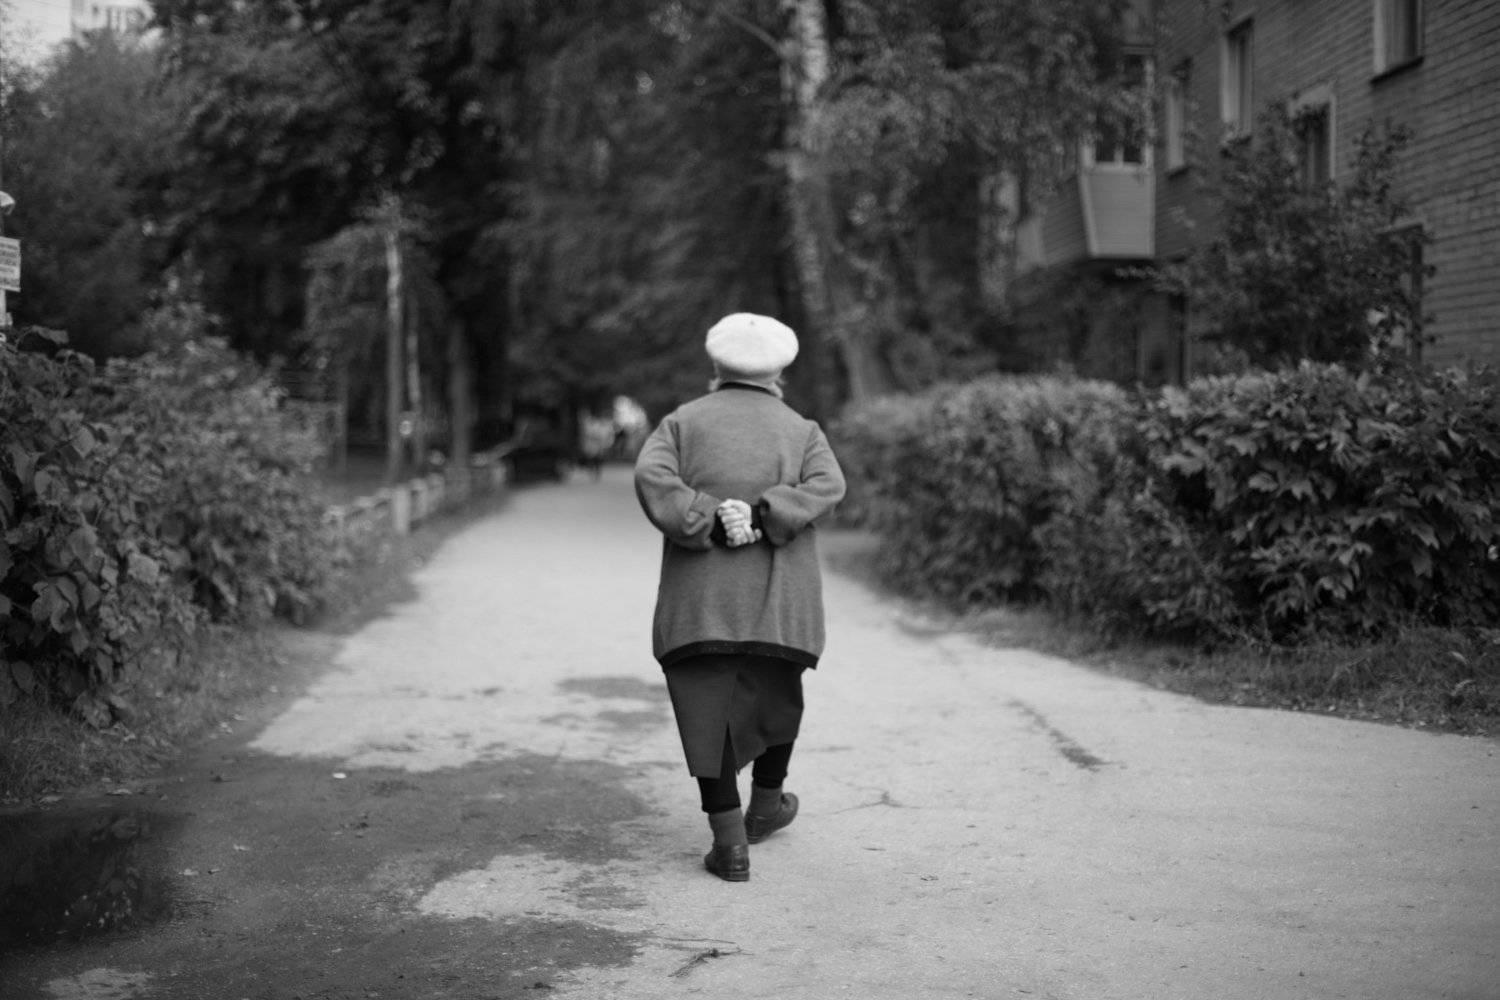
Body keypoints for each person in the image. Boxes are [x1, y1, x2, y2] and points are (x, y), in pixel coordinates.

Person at [634, 312, 846, 882]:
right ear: (778, 371)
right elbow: (829, 486)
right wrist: (764, 514)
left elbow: (652, 477)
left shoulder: (681, 423)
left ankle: (730, 846)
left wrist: (705, 516)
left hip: (700, 600)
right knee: (778, 694)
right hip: (780, 600)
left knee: (705, 710)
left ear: (716, 364)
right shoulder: (803, 430)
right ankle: (765, 807)